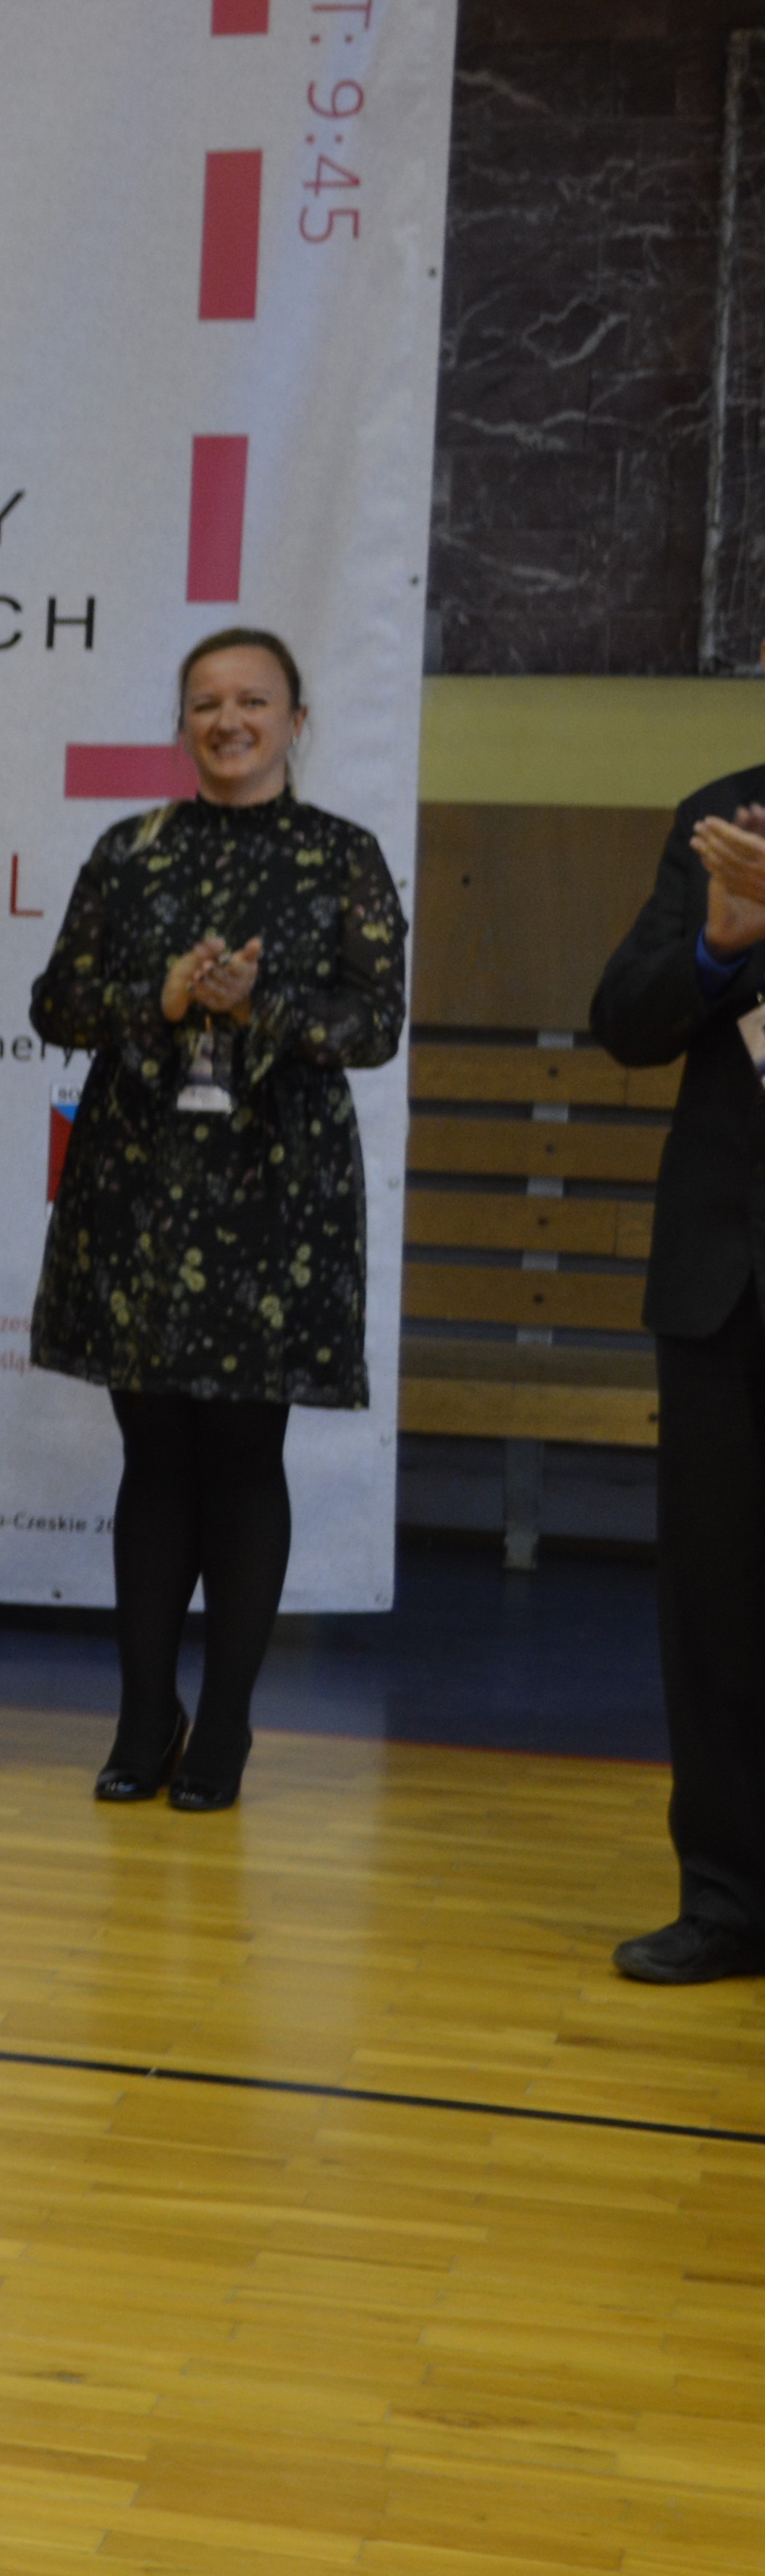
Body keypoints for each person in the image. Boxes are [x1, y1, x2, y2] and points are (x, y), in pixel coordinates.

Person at [28, 630, 403, 1814]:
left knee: (243, 1457)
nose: (228, 721)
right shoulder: (131, 849)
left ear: (297, 719)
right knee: (153, 1456)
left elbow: (375, 1024)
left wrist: (260, 1007)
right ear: (182, 723)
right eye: (205, 703)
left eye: (253, 701)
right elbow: (56, 1004)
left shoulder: (342, 854)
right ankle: (146, 1716)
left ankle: (227, 1724)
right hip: (139, 1184)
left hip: (276, 1192)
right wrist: (161, 996)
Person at [589, 739, 765, 1984]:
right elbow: (627, 1020)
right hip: (723, 1281)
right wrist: (720, 944)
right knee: (716, 1607)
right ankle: (728, 1900)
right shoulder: (722, 817)